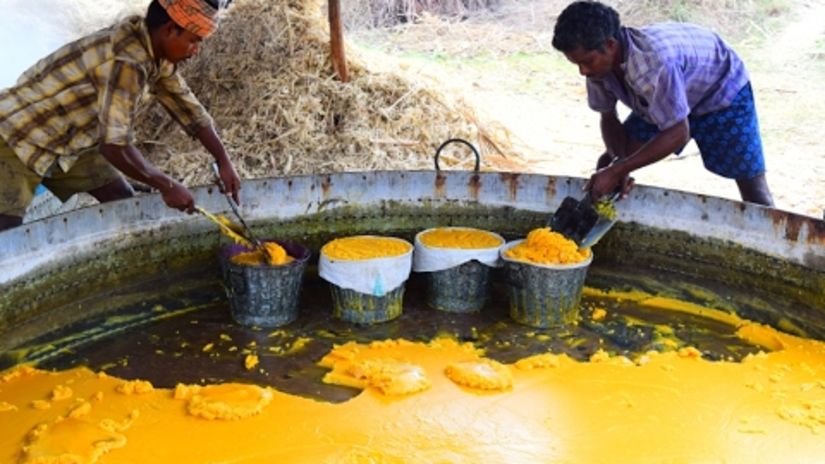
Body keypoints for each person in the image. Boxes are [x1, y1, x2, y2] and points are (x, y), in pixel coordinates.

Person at [0, 0, 241, 232]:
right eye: (193, 41)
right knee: (7, 235)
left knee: (122, 201)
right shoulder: (127, 60)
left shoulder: (154, 52)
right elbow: (114, 146)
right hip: (18, 134)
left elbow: (188, 108)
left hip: (69, 138)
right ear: (170, 30)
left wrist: (223, 160)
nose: (196, 51)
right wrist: (166, 185)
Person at [551, 1, 774, 206]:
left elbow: (678, 132)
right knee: (607, 163)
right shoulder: (598, 70)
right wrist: (618, 165)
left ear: (610, 44)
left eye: (587, 62)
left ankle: (771, 241)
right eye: (577, 64)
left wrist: (621, 169)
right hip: (670, 89)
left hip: (720, 90)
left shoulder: (651, 65)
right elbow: (608, 117)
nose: (583, 71)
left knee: (751, 183)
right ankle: (592, 227)